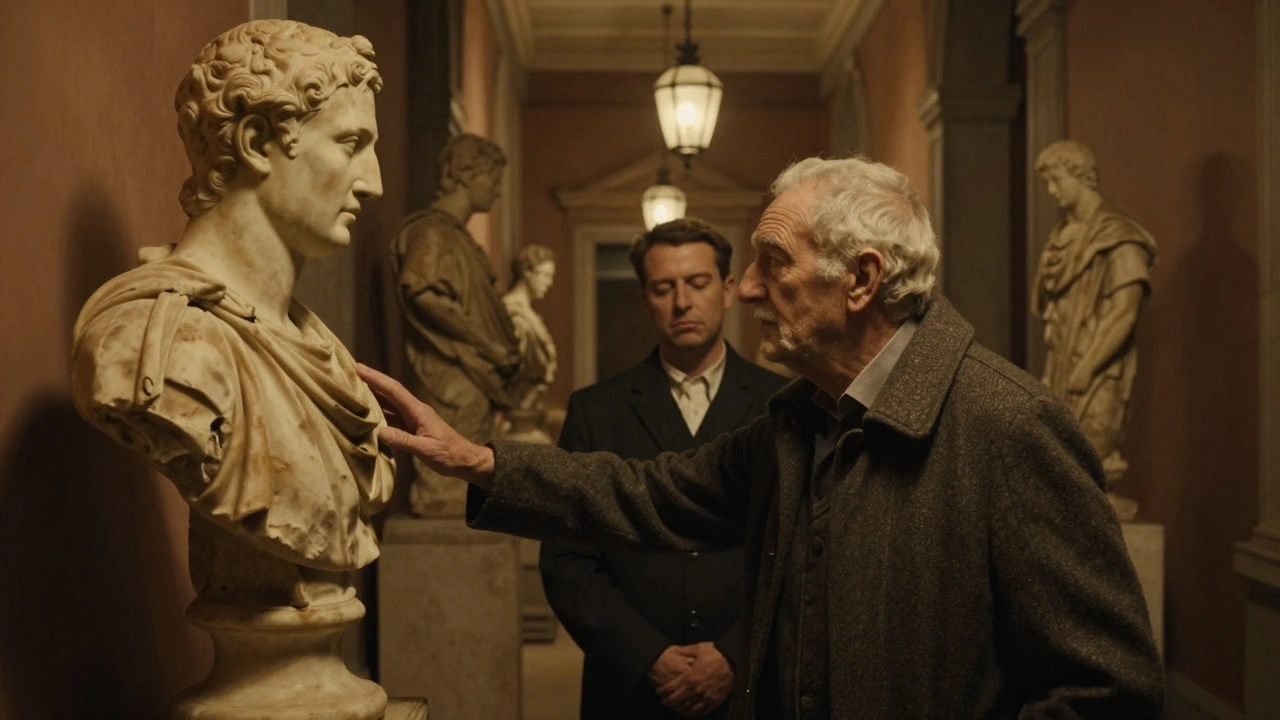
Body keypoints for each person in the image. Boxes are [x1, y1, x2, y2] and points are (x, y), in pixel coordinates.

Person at [359, 156, 1165, 718]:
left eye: (770, 263)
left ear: (861, 279)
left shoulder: (1009, 424)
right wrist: (476, 459)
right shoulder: (799, 418)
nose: (743, 289)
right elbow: (651, 493)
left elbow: (1107, 689)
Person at [72, 20, 395, 601]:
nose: (372, 183)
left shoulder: (320, 351)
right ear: (254, 142)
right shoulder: (154, 348)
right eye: (351, 144)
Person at [540, 218, 787, 719]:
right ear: (644, 299)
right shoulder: (594, 410)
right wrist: (647, 656)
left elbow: (801, 550)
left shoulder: (783, 405)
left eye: (697, 283)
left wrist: (734, 654)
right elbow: (566, 562)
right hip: (629, 688)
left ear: (728, 289)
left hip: (750, 686)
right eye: (663, 288)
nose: (682, 303)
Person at [390, 133, 521, 517]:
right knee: (445, 475)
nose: (496, 194)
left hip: (469, 370)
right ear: (467, 174)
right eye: (493, 181)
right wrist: (486, 344)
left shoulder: (456, 237)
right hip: (453, 371)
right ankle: (442, 501)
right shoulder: (434, 233)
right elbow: (422, 293)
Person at [1033, 139, 1158, 519]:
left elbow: (1124, 313)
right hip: (1061, 360)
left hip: (1099, 367)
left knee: (1091, 446)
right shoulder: (1061, 237)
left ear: (1079, 174)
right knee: (1058, 449)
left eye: (1056, 181)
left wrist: (1087, 366)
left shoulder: (1119, 236)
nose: (1052, 192)